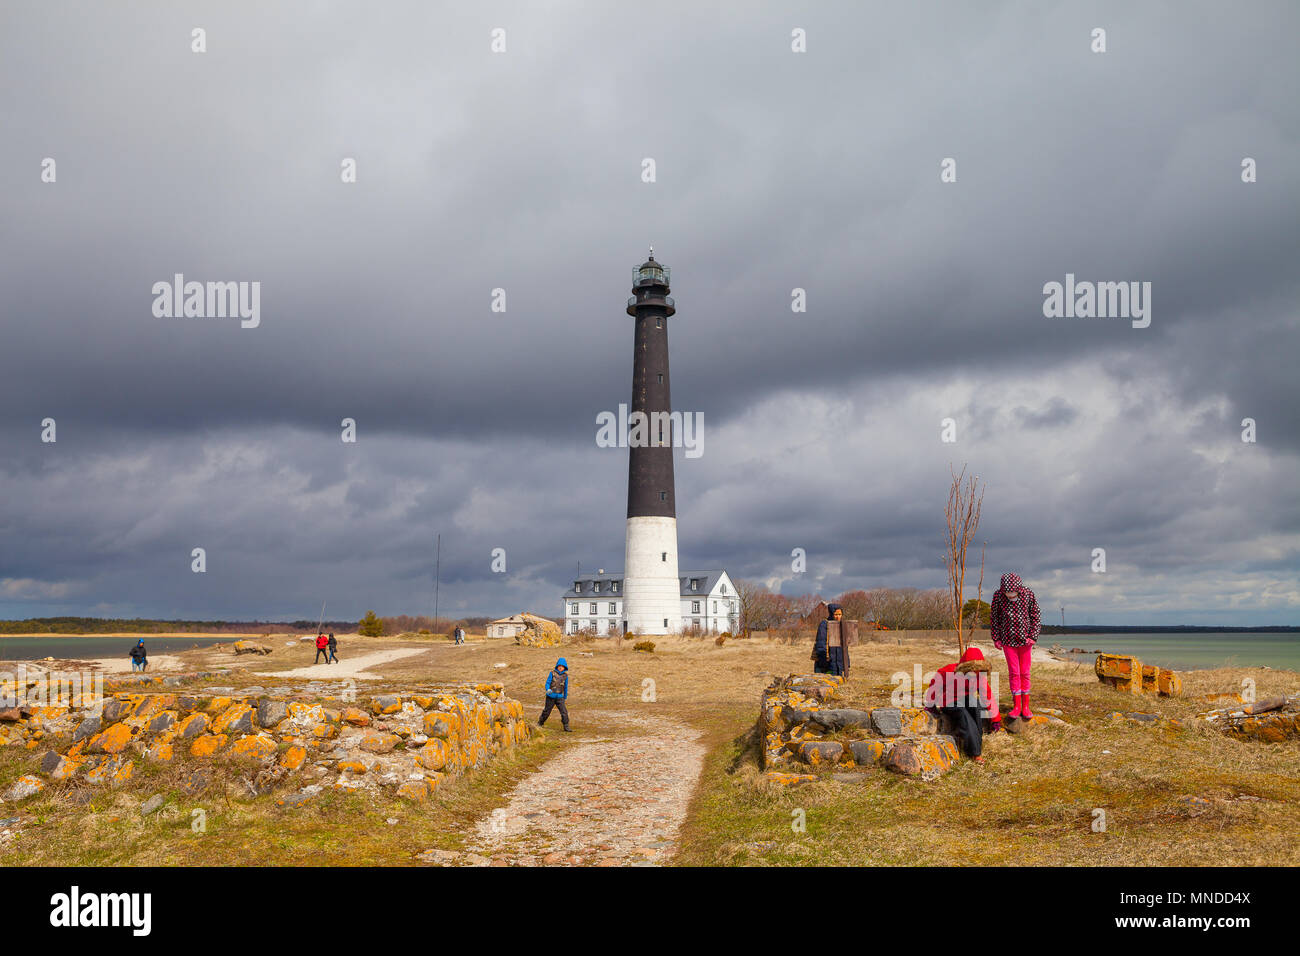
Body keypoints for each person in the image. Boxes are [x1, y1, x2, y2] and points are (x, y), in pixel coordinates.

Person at [925, 645, 1001, 762]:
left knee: (977, 707)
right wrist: (931, 704)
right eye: (972, 669)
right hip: (949, 702)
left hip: (967, 700)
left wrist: (995, 719)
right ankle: (975, 754)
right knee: (964, 714)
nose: (975, 672)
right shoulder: (949, 671)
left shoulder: (979, 676)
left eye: (978, 669)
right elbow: (935, 685)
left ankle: (977, 745)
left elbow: (987, 695)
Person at [990, 572, 1041, 719]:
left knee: (1025, 672)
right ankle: (1016, 705)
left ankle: (1026, 706)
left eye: (1013, 593)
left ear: (1019, 589)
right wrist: (996, 638)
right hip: (1007, 641)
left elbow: (1036, 615)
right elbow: (994, 618)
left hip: (1025, 641)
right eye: (1007, 593)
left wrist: (1033, 636)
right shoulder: (998, 596)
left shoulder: (1028, 594)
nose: (1010, 596)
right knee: (1014, 672)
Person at [538, 657, 571, 732]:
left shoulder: (566, 676)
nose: (560, 667)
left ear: (564, 667)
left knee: (564, 711)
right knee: (547, 711)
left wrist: (565, 696)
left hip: (560, 697)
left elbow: (565, 687)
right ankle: (540, 722)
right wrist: (548, 689)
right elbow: (547, 683)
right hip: (550, 696)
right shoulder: (552, 673)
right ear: (557, 666)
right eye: (559, 666)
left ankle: (566, 726)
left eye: (562, 666)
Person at [812, 604, 845, 675]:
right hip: (827, 662)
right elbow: (821, 644)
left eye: (840, 614)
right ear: (831, 613)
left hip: (838, 664)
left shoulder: (841, 625)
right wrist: (823, 663)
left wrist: (846, 663)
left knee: (838, 683)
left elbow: (845, 647)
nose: (838, 617)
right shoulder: (824, 624)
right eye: (836, 614)